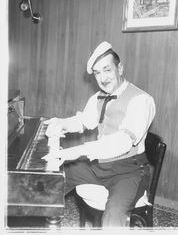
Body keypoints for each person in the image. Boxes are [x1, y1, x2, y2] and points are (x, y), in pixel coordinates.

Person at [42, 41, 156, 227]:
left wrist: (75, 151)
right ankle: (44, 222)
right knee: (53, 179)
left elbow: (123, 142)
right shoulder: (98, 97)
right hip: (100, 166)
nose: (102, 78)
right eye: (97, 73)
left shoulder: (142, 100)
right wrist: (61, 123)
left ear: (120, 68)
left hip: (130, 171)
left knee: (113, 216)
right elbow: (83, 121)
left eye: (107, 70)